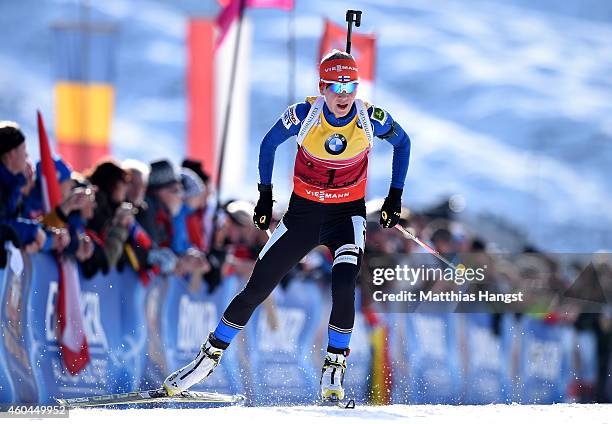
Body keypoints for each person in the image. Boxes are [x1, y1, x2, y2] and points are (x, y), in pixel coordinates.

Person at [163, 49, 411, 402]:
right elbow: (268, 144)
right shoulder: (304, 114)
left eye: (351, 85)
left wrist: (394, 198)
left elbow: (403, 143)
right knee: (258, 287)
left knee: (344, 286)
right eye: (336, 86)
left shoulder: (370, 118)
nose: (344, 94)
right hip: (303, 217)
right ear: (322, 87)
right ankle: (205, 361)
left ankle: (333, 368)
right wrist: (265, 196)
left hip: (346, 217)